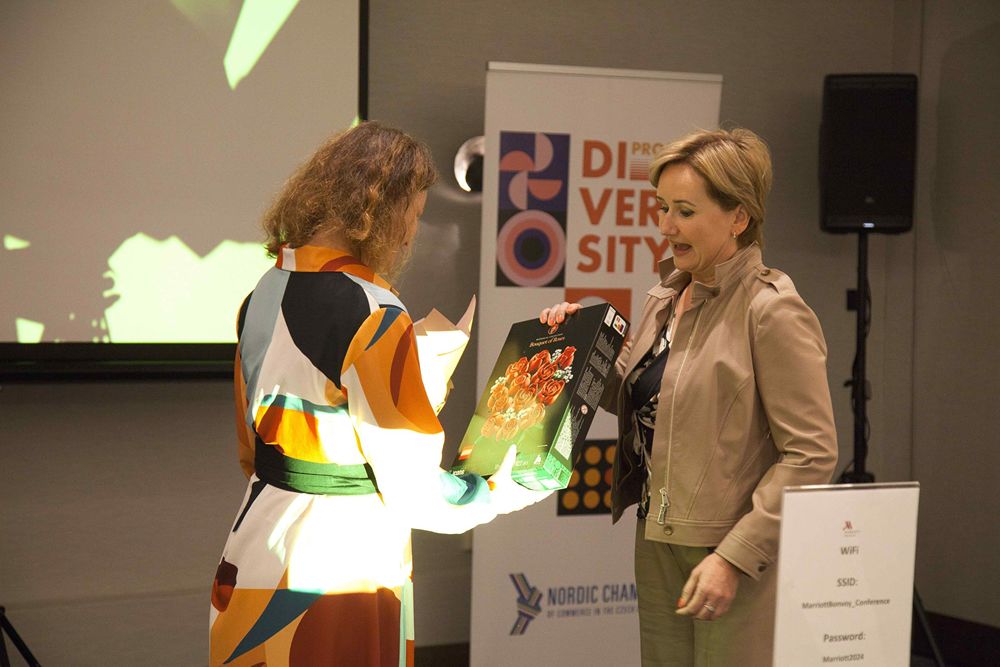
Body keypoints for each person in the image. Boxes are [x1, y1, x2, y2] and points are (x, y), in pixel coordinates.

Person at [210, 121, 548, 667]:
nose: (411, 234)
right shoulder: (376, 311)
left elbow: (250, 451)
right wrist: (498, 489)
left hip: (255, 543)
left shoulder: (261, 294)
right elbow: (415, 492)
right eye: (413, 214)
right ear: (382, 211)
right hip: (339, 563)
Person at [541, 127, 837, 666]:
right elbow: (640, 400)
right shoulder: (665, 297)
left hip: (729, 553)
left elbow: (811, 455)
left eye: (684, 211)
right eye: (662, 208)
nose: (666, 226)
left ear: (738, 217)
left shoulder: (771, 310)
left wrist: (734, 557)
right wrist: (579, 346)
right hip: (656, 537)